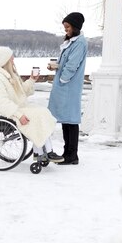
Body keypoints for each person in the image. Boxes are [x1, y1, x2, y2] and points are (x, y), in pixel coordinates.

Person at [0, 46, 63, 163]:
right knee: (37, 115)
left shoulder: (10, 75)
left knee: (43, 112)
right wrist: (19, 115)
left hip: (19, 107)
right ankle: (46, 151)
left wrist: (32, 79)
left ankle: (40, 152)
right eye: (11, 57)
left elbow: (22, 92)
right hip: (8, 112)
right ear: (4, 60)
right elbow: (2, 102)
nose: (13, 59)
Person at [47, 12, 88, 165]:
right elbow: (66, 62)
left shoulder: (80, 43)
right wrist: (56, 66)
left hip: (69, 86)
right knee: (66, 120)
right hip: (65, 85)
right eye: (65, 27)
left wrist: (63, 79)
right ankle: (68, 153)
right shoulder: (72, 42)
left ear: (76, 27)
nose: (66, 30)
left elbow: (72, 65)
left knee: (70, 121)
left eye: (68, 27)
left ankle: (72, 155)